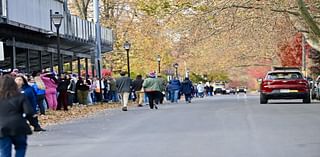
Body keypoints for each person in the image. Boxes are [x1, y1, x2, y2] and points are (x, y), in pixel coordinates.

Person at [0, 75, 34, 157]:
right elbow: (29, 112)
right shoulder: (21, 96)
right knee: (21, 147)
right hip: (18, 125)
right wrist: (32, 122)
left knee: (4, 150)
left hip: (2, 127)